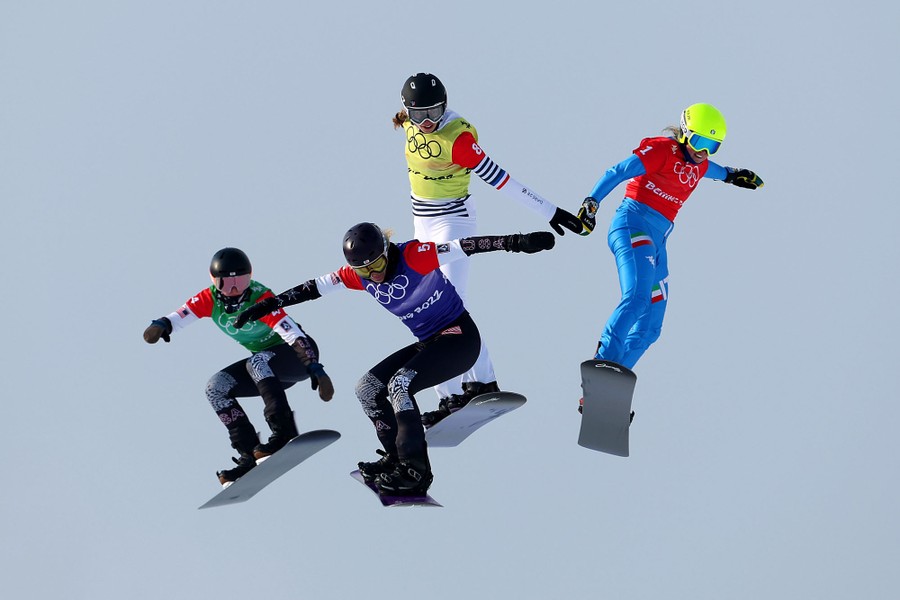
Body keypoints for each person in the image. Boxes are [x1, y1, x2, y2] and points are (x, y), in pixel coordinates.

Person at [234, 223, 555, 496]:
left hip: (459, 339)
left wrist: (517, 242)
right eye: (364, 271)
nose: (373, 276)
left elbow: (466, 245)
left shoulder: (415, 256)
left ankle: (417, 471)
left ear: (386, 250)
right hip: (430, 343)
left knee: (400, 385)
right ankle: (395, 458)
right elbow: (312, 288)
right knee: (367, 388)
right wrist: (264, 306)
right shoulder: (358, 276)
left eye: (376, 265)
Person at [393, 72, 583, 413]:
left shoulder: (459, 139)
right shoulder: (408, 122)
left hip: (453, 222)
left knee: (447, 312)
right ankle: (460, 391)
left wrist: (550, 211)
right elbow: (405, 121)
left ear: (445, 107)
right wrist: (408, 117)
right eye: (418, 115)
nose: (426, 123)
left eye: (434, 114)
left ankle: (473, 386)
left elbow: (503, 180)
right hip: (421, 225)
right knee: (428, 313)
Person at [575, 102, 764, 380]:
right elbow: (617, 171)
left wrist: (733, 176)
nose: (703, 152)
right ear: (686, 133)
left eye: (712, 145)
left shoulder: (699, 166)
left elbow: (715, 171)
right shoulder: (663, 151)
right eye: (699, 141)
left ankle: (610, 389)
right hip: (633, 225)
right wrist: (592, 204)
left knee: (651, 327)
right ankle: (602, 366)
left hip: (658, 241)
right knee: (637, 299)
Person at [142, 247, 334, 487]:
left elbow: (292, 333)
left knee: (257, 360)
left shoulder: (260, 297)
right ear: (215, 282)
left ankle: (283, 431)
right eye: (227, 283)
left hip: (295, 358)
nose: (234, 289)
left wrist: (314, 366)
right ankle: (249, 453)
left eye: (241, 280)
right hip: (266, 371)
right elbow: (181, 314)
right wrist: (162, 324)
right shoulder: (209, 299)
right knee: (216, 387)